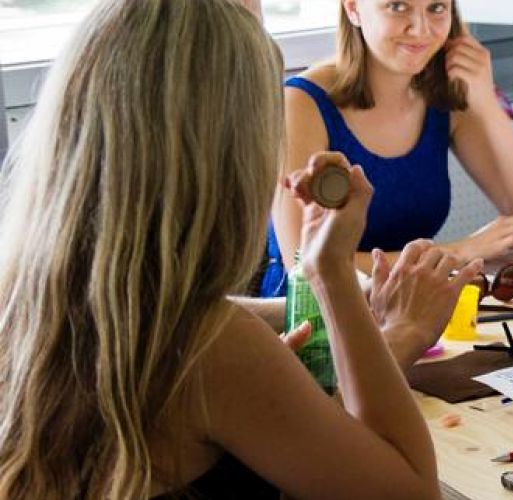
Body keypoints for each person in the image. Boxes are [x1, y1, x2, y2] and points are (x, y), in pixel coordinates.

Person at [0, 1, 478, 496]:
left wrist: (307, 311)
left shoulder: (31, 303)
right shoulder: (211, 349)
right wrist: (377, 315)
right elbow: (409, 493)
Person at [262, 0, 513, 297]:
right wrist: (457, 252)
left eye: (437, 8)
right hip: (309, 322)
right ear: (352, 8)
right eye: (397, 6)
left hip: (407, 308)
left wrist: (486, 102)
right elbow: (306, 265)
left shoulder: (444, 93)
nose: (421, 29)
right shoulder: (301, 103)